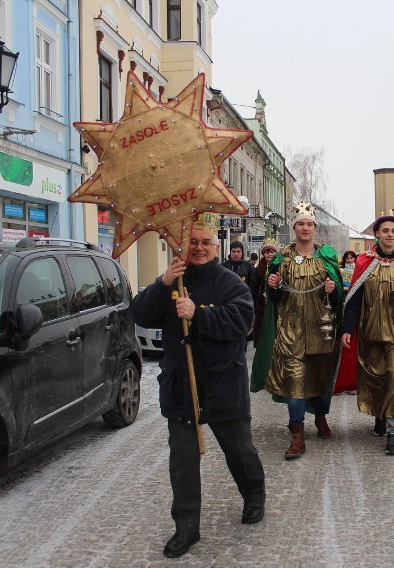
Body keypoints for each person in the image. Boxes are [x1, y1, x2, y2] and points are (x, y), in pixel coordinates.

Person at [133, 213, 266, 559]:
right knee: (183, 461)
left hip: (223, 382)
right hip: (182, 386)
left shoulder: (230, 283)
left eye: (206, 242)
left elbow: (243, 321)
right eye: (193, 241)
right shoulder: (171, 280)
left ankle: (254, 495)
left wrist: (199, 314)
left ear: (216, 245)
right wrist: (163, 284)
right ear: (183, 244)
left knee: (239, 450)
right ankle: (186, 527)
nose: (199, 248)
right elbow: (141, 315)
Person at [250, 202, 344, 459]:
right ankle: (297, 433)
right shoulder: (281, 258)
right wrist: (273, 285)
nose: (305, 228)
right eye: (300, 224)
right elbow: (273, 299)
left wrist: (332, 290)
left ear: (314, 228)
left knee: (320, 379)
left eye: (309, 224)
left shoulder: (326, 256)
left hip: (321, 329)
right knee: (294, 381)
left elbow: (339, 297)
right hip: (289, 330)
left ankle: (321, 417)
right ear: (294, 228)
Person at [338, 214, 394, 455]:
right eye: (385, 230)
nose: (390, 234)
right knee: (376, 378)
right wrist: (347, 329)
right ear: (377, 234)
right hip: (371, 330)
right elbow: (354, 299)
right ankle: (380, 416)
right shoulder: (365, 261)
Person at [250, 238, 278, 347]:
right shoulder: (259, 268)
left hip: (276, 304)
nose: (270, 254)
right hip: (262, 305)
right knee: (261, 329)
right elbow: (254, 288)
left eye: (272, 252)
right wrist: (251, 304)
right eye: (267, 252)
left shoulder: (280, 266)